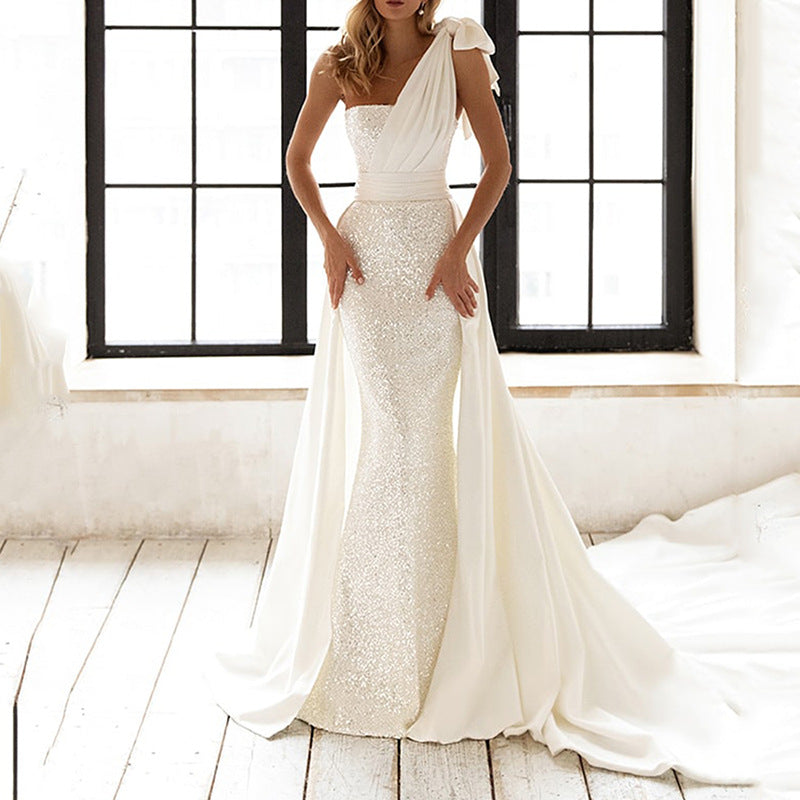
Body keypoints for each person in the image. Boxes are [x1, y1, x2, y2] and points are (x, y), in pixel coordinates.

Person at [201, 3, 800, 794]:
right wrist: (332, 240)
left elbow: (496, 166)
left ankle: (447, 631)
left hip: (436, 265)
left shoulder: (459, 50)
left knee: (423, 440)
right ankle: (370, 644)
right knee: (390, 438)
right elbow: (298, 162)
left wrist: (458, 253)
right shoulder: (338, 63)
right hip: (368, 269)